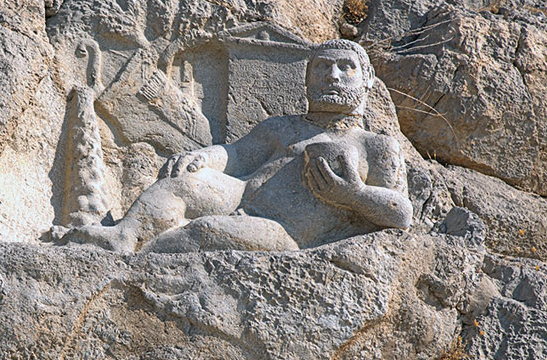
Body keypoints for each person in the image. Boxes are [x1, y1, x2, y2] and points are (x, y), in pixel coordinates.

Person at [54, 39, 413, 253]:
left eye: (345, 68)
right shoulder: (283, 126)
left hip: (287, 229)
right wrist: (203, 156)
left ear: (366, 82)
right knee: (181, 188)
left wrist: (353, 195)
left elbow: (401, 214)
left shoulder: (375, 145)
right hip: (239, 192)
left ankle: (139, 256)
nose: (331, 75)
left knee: (205, 231)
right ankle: (123, 236)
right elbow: (238, 154)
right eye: (321, 67)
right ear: (306, 80)